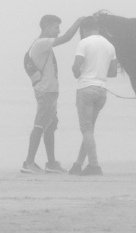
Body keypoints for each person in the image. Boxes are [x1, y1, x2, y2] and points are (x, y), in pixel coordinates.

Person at [21, 14, 83, 174]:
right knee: (40, 124)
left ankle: (51, 163)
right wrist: (79, 21)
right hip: (45, 91)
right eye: (56, 27)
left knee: (50, 126)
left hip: (50, 91)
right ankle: (28, 163)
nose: (58, 31)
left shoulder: (43, 45)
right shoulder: (42, 43)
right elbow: (67, 38)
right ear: (47, 26)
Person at [69, 16, 117, 176]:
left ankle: (94, 165)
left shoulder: (84, 43)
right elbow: (113, 72)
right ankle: (78, 164)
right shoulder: (110, 45)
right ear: (98, 28)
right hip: (102, 90)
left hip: (86, 88)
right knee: (89, 130)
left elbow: (76, 67)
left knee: (86, 129)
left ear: (84, 29)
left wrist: (77, 72)